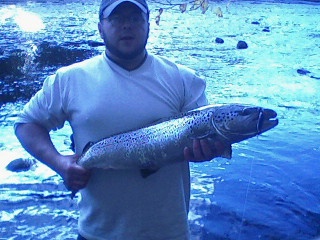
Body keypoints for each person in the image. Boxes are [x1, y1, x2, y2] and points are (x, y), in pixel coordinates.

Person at [14, 0, 228, 239]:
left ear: (148, 25)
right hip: (96, 233)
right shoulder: (69, 79)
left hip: (169, 232)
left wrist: (208, 152)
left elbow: (209, 136)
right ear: (100, 28)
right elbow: (27, 124)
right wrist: (60, 163)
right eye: (116, 18)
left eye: (136, 18)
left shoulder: (184, 79)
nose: (127, 25)